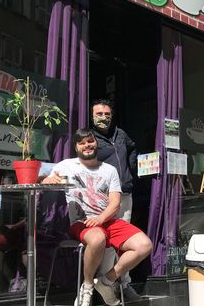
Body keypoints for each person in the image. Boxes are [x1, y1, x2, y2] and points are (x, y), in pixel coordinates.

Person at [42, 128, 152, 306]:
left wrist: (101, 219)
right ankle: (87, 286)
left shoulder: (109, 170)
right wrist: (47, 180)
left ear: (96, 143)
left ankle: (106, 282)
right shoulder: (66, 165)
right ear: (76, 147)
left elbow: (115, 203)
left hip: (107, 220)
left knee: (144, 245)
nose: (87, 145)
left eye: (90, 141)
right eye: (82, 142)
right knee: (98, 238)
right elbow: (45, 178)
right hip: (82, 222)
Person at [90, 99, 142, 300]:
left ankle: (123, 284)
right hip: (104, 198)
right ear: (93, 115)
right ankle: (106, 285)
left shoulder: (121, 134)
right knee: (109, 243)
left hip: (125, 194)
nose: (103, 117)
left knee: (125, 243)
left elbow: (133, 148)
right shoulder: (90, 137)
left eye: (107, 114)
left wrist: (130, 172)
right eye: (99, 114)